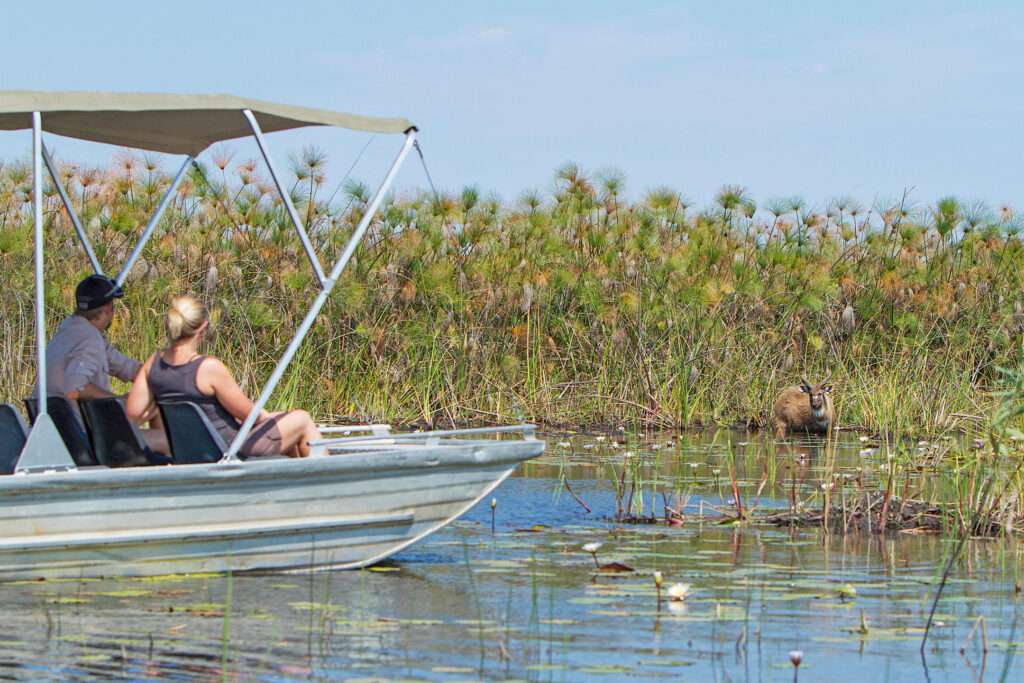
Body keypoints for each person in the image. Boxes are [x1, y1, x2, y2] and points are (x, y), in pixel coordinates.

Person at [126, 295, 322, 458]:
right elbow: (250, 415)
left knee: (285, 429)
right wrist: (270, 417)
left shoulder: (153, 364)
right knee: (301, 419)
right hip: (230, 448)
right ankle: (325, 483)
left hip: (189, 450)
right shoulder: (208, 368)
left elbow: (134, 412)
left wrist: (163, 401)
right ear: (203, 328)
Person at [46, 274, 168, 453]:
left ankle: (153, 463)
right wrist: (115, 400)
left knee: (151, 402)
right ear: (108, 308)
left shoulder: (68, 332)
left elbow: (124, 366)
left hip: (61, 429)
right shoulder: (89, 340)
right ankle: (165, 469)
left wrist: (160, 377)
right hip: (85, 435)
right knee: (171, 440)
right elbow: (73, 388)